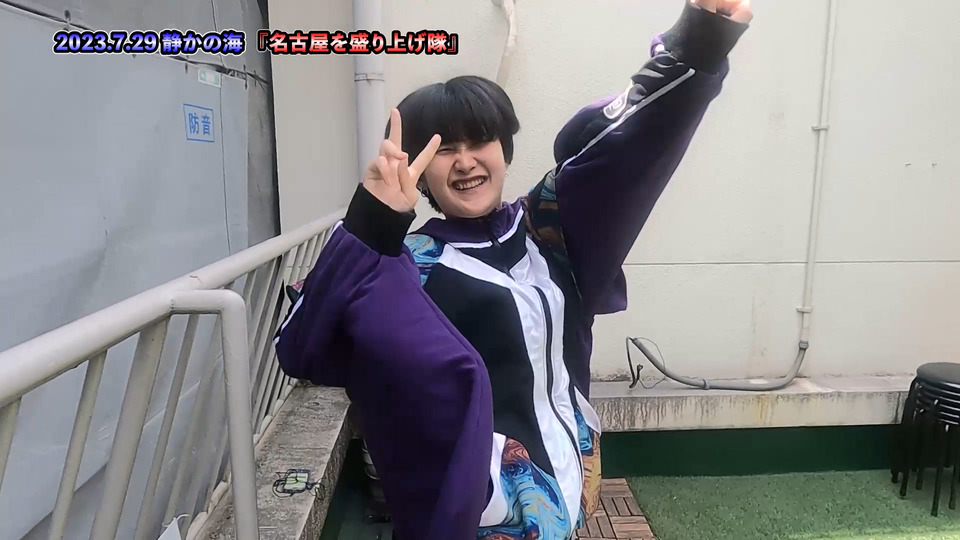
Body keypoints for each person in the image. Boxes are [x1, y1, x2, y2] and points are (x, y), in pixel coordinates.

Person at [275, 1, 751, 537]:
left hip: (568, 491)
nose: (465, 161)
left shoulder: (549, 231)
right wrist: (371, 224)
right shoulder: (407, 265)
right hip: (475, 520)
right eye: (444, 149)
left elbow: (622, 149)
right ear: (420, 172)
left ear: (504, 149)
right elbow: (302, 346)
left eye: (480, 140)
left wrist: (698, 42)